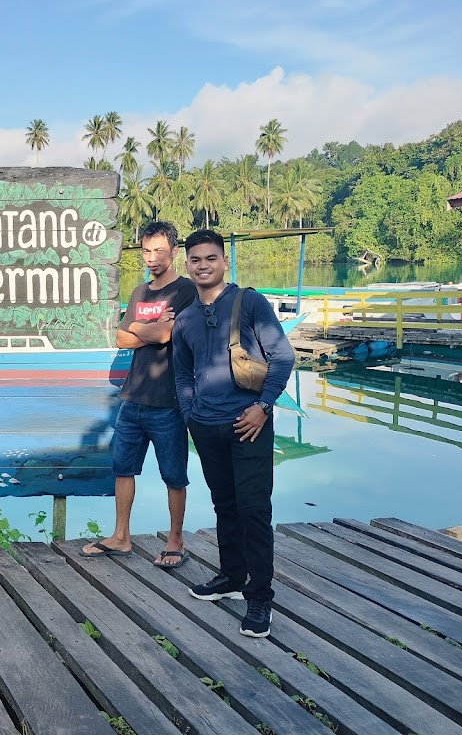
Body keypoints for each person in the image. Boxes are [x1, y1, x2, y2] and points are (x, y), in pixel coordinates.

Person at [172, 229, 295, 638]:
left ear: (224, 262)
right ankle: (231, 576)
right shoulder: (185, 319)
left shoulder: (249, 303)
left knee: (254, 509)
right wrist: (190, 416)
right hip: (206, 426)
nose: (203, 265)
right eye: (195, 260)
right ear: (187, 265)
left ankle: (259, 596)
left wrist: (264, 407)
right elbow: (182, 375)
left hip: (249, 424)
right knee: (224, 504)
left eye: (210, 258)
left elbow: (282, 357)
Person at [81, 221, 197, 567]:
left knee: (174, 475)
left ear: (174, 251)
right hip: (132, 398)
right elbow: (122, 338)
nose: (152, 258)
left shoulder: (185, 291)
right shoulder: (139, 293)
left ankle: (175, 540)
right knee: (123, 468)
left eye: (159, 250)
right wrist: (146, 326)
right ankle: (121, 537)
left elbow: (167, 335)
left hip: (168, 402)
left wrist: (142, 328)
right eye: (146, 251)